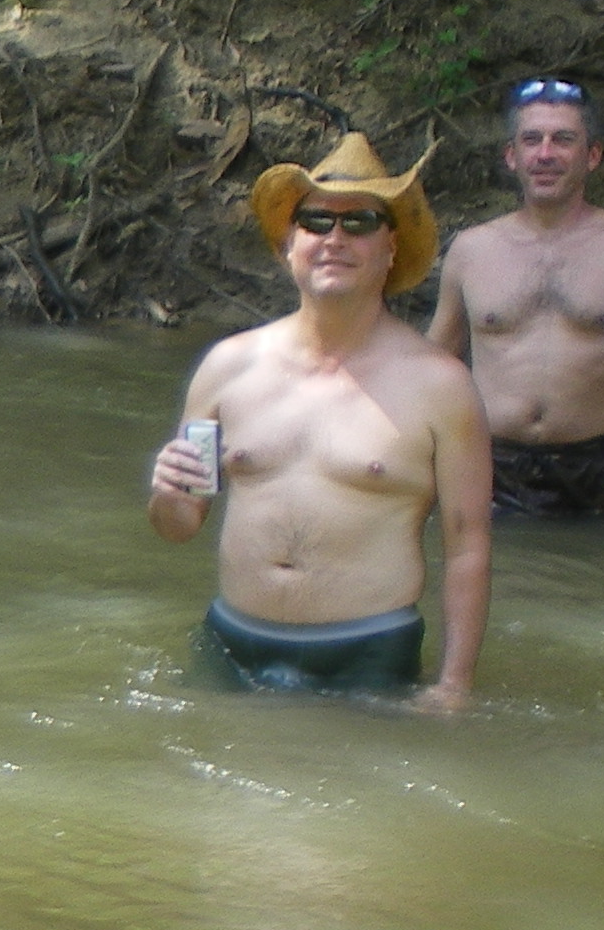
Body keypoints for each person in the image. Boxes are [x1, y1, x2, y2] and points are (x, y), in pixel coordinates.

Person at [148, 134, 489, 706]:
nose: (335, 238)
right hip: (230, 642)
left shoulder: (441, 385)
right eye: (316, 221)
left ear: (390, 247)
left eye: (359, 222)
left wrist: (454, 685)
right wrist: (165, 495)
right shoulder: (228, 366)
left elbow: (468, 545)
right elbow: (179, 526)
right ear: (290, 244)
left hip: (366, 651)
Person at [424, 76, 604, 517]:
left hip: (592, 467)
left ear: (592, 156)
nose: (545, 154)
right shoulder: (472, 250)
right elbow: (433, 364)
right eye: (532, 140)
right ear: (512, 156)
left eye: (563, 140)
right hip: (488, 462)